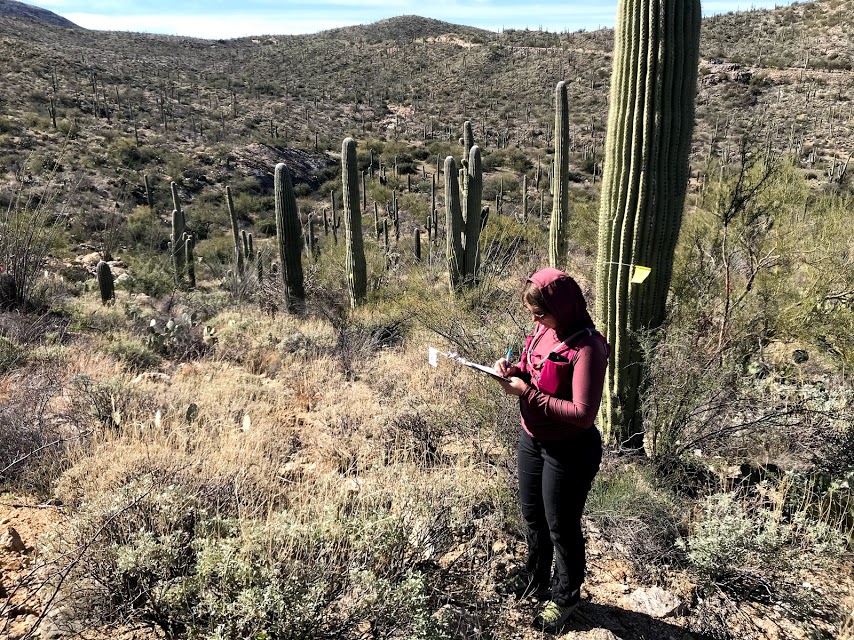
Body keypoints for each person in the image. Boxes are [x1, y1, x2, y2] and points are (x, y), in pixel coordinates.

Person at [494, 268, 609, 633]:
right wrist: (512, 370)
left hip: (570, 450)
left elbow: (582, 415)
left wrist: (525, 393)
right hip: (533, 438)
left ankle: (566, 596)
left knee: (561, 525)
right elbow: (533, 369)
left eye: (540, 313)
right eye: (532, 314)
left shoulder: (587, 347)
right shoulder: (546, 330)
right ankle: (535, 576)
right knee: (533, 516)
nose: (535, 320)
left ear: (563, 306)